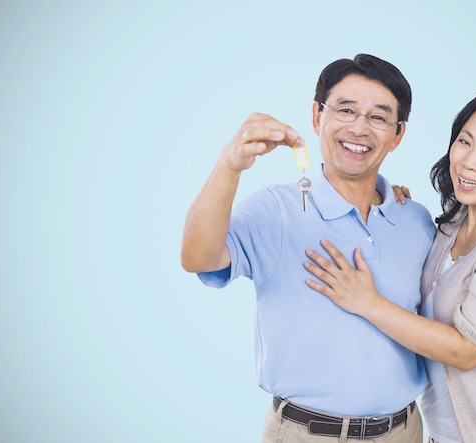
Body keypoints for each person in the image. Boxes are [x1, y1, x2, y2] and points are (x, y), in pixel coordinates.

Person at [303, 91, 476, 442]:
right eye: (464, 142)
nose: (469, 162)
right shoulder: (453, 223)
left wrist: (367, 303)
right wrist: (383, 198)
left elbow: (467, 351)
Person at [181, 54, 436, 442]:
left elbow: (450, 316)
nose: (359, 128)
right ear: (317, 116)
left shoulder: (416, 220)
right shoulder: (275, 210)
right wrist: (229, 166)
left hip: (404, 430)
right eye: (345, 109)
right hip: (305, 434)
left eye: (378, 117)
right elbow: (198, 258)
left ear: (398, 135)